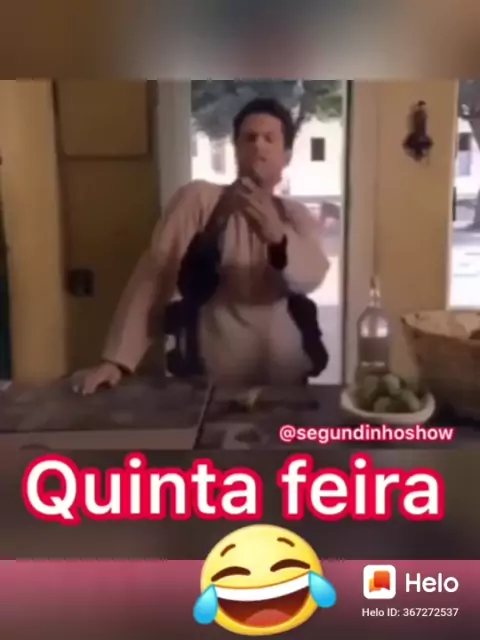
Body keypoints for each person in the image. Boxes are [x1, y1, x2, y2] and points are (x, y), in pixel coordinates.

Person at [74, 98, 330, 394]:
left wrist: (278, 238)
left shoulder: (295, 214)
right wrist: (117, 361)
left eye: (269, 138)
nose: (258, 145)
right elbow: (156, 272)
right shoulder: (199, 200)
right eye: (249, 137)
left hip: (286, 377)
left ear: (286, 156)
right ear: (236, 149)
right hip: (215, 378)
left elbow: (312, 275)